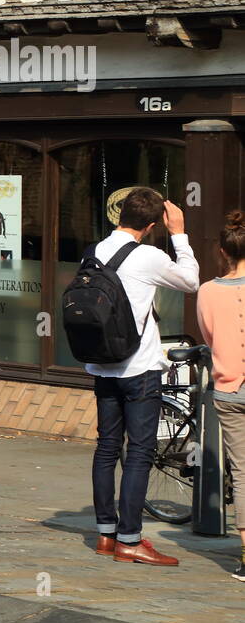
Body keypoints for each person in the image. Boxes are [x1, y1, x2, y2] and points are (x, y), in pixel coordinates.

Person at [86, 188, 199, 566]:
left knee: (106, 448)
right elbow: (190, 282)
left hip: (102, 366)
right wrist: (179, 234)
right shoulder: (149, 255)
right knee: (139, 454)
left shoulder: (95, 250)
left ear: (121, 214)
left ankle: (105, 534)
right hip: (139, 369)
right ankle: (130, 540)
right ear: (152, 225)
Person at [195, 210, 245, 582]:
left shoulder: (208, 291)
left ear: (224, 253)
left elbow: (210, 339)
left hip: (229, 389)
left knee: (243, 474)